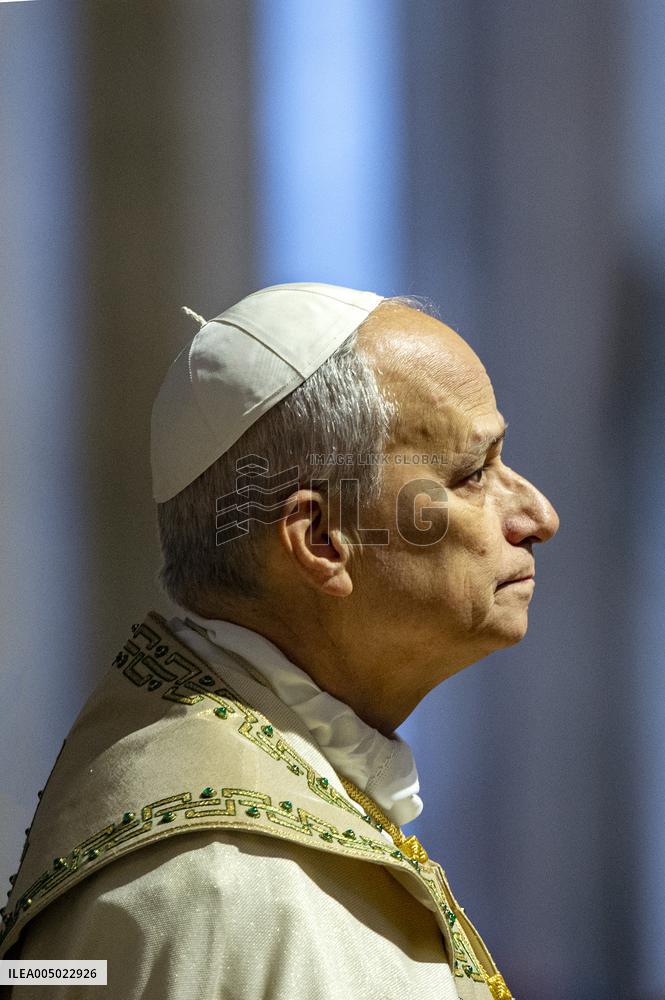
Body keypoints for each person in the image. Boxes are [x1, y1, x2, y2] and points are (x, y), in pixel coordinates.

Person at [0, 283, 558, 999]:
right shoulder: (213, 886)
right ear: (322, 540)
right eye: (473, 474)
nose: (539, 515)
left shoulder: (276, 819)